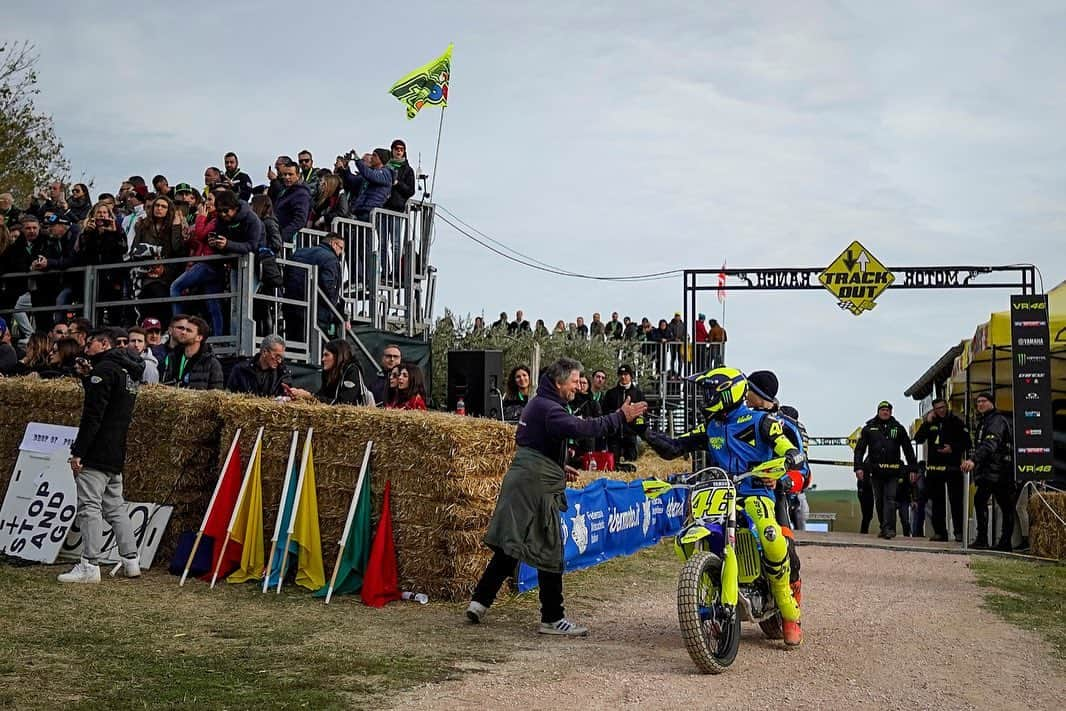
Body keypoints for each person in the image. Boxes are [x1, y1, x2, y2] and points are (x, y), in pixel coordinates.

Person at [466, 357, 647, 636]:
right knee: (550, 546)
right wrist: (620, 416)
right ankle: (553, 617)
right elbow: (584, 429)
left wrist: (557, 465)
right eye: (575, 381)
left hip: (524, 477)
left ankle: (479, 602)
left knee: (512, 543)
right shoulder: (550, 409)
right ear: (559, 381)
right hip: (535, 485)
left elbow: (531, 443)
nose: (578, 386)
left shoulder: (539, 405)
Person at [642, 367, 806, 646]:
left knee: (773, 537)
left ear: (727, 392)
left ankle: (787, 608)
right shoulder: (711, 426)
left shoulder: (764, 422)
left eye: (710, 392)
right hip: (721, 492)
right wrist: (640, 429)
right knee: (690, 531)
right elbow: (672, 447)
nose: (705, 397)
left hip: (758, 493)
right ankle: (710, 584)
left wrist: (787, 462)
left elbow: (789, 450)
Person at [58, 328, 145, 584]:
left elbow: (93, 416)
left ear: (104, 343)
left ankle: (89, 564)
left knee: (89, 507)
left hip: (96, 451)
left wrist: (78, 452)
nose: (86, 348)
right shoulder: (127, 372)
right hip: (116, 450)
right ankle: (131, 561)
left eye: (91, 343)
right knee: (116, 508)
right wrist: (89, 378)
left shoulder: (104, 371)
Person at [745, 370, 806, 612]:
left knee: (788, 554)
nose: (744, 394)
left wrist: (780, 482)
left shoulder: (787, 427)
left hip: (775, 495)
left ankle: (793, 616)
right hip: (738, 491)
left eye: (749, 389)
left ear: (760, 394)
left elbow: (802, 470)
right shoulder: (739, 419)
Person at [854, 401, 917, 539]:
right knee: (879, 500)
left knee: (890, 498)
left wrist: (913, 468)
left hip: (893, 471)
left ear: (891, 412)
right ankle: (884, 526)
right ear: (878, 412)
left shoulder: (898, 428)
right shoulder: (869, 428)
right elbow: (859, 450)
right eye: (882, 410)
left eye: (887, 410)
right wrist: (858, 467)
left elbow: (908, 449)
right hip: (875, 471)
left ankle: (889, 529)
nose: (885, 412)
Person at [962, 392, 1015, 551]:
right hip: (988, 471)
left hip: (999, 471)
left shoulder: (996, 420)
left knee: (1004, 505)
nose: (980, 404)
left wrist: (973, 460)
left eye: (983, 401)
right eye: (977, 402)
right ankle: (985, 539)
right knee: (982, 501)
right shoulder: (984, 421)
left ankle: (1003, 542)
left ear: (992, 402)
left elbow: (990, 444)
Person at [913, 397, 971, 542]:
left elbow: (967, 443)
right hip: (934, 469)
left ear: (947, 406)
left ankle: (959, 532)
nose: (941, 410)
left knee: (956, 501)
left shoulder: (956, 422)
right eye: (938, 408)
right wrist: (926, 422)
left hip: (952, 468)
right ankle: (940, 532)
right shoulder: (931, 422)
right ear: (934, 409)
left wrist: (953, 448)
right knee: (937, 502)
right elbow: (918, 439)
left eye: (943, 407)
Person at [283, 233, 343, 339]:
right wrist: (332, 308)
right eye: (341, 248)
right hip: (317, 313)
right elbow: (328, 286)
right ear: (333, 244)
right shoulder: (331, 259)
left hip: (291, 307)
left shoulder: (299, 252)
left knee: (293, 344)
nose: (340, 253)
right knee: (315, 347)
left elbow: (286, 275)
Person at [290, 339, 371, 406]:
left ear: (337, 356)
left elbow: (344, 404)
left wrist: (309, 396)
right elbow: (321, 396)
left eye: (326, 355)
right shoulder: (327, 373)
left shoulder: (352, 370)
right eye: (323, 355)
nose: (322, 359)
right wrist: (301, 397)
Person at [159, 315, 224, 390]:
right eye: (183, 329)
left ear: (199, 337)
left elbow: (217, 395)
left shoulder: (211, 363)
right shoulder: (172, 357)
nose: (183, 332)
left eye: (188, 330)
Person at [336, 149, 395, 222]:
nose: (371, 158)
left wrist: (357, 160)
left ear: (381, 159)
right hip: (360, 210)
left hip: (369, 212)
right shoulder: (371, 173)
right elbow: (352, 181)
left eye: (374, 155)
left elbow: (370, 175)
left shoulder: (386, 173)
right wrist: (345, 168)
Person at [601, 364, 645, 461]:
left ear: (631, 376)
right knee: (613, 463)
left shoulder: (638, 394)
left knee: (632, 462)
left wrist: (637, 429)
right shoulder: (610, 393)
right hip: (614, 434)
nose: (623, 377)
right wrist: (616, 413)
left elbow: (643, 414)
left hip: (630, 435)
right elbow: (604, 412)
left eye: (626, 374)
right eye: (621, 374)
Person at [227, 334, 292, 398]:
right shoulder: (241, 370)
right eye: (277, 356)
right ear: (264, 352)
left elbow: (288, 396)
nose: (279, 361)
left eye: (281, 357)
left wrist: (293, 393)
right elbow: (229, 397)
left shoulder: (282, 372)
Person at [274, 161, 312, 244]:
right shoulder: (285, 192)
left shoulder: (301, 194)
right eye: (284, 174)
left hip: (290, 243)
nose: (287, 177)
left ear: (298, 175)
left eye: (290, 174)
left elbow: (300, 220)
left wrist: (281, 237)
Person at [383, 139, 416, 213]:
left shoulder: (408, 170)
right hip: (382, 205)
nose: (399, 151)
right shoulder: (385, 166)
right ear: (392, 150)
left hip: (396, 209)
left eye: (401, 149)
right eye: (396, 148)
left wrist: (397, 183)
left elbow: (411, 191)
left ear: (404, 152)